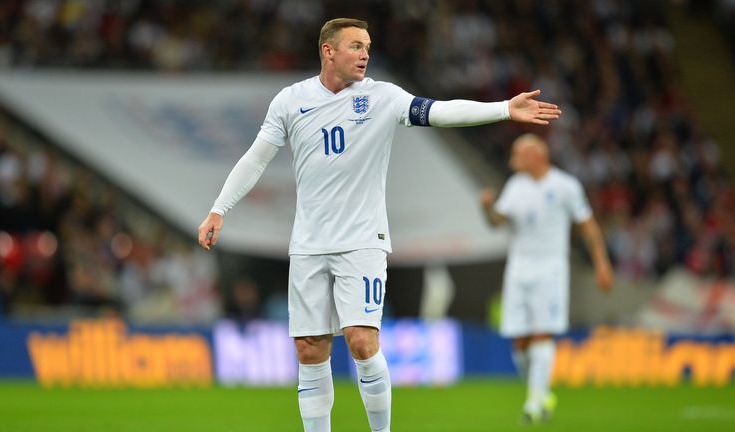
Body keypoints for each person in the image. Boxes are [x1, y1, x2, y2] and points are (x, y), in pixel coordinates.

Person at [197, 18, 561, 432]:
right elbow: (255, 158)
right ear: (328, 51)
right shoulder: (290, 101)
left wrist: (502, 109)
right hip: (308, 244)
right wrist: (219, 209)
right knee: (309, 348)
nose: (365, 53)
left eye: (367, 46)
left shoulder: (382, 97)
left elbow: (437, 112)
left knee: (361, 340)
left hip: (362, 241)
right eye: (355, 46)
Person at [480, 133, 613, 423]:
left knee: (542, 332)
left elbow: (587, 225)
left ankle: (533, 404)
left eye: (518, 152)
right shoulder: (515, 186)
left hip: (550, 270)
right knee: (520, 344)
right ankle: (541, 392)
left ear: (536, 156)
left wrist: (601, 262)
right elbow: (496, 222)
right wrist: (486, 208)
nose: (512, 157)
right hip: (518, 270)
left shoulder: (565, 186)